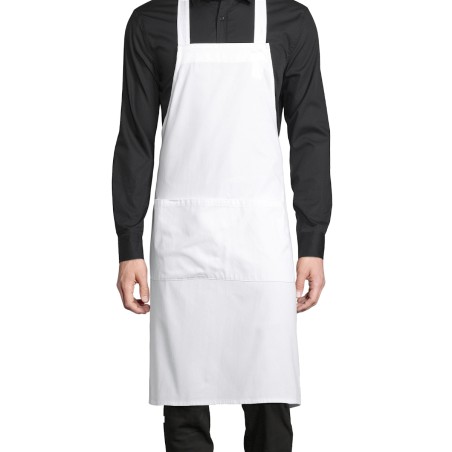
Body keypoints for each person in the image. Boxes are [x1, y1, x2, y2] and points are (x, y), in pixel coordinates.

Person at [112, 0, 332, 450]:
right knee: (184, 407)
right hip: (184, 241)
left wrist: (313, 239)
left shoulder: (291, 22)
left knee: (270, 404)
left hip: (260, 243)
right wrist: (128, 242)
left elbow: (309, 134)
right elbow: (135, 138)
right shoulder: (150, 23)